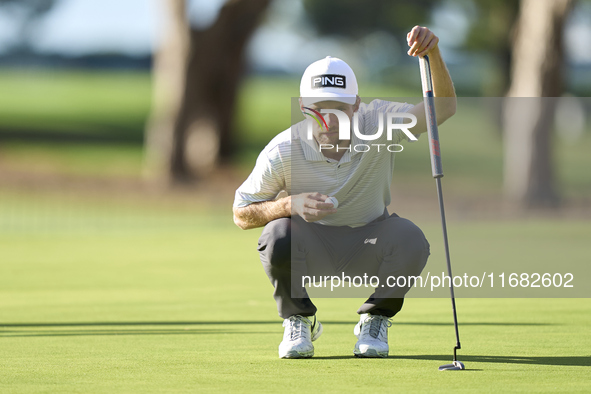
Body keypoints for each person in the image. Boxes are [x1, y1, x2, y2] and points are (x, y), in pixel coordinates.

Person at [233, 26, 456, 358]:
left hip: (370, 244)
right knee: (277, 234)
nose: (329, 118)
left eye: (338, 107)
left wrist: (433, 54)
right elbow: (241, 213)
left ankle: (375, 318)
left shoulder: (380, 124)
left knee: (410, 237)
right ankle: (299, 319)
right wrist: (289, 204)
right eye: (319, 108)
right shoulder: (283, 149)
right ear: (305, 108)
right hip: (311, 249)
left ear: (356, 105)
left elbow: (443, 110)